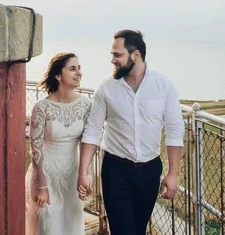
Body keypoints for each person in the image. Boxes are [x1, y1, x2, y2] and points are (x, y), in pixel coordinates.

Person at [77, 30, 185, 235]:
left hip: (150, 171)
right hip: (115, 170)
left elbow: (174, 130)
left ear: (135, 55)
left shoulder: (164, 85)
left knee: (139, 230)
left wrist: (173, 174)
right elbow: (92, 130)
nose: (112, 60)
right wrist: (83, 172)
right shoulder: (106, 88)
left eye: (117, 55)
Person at [25, 52, 92, 235]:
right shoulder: (41, 107)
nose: (79, 73)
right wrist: (41, 185)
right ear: (58, 75)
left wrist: (87, 175)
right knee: (48, 227)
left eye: (79, 68)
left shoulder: (87, 105)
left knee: (71, 226)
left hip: (73, 173)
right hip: (46, 173)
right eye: (72, 69)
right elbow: (35, 147)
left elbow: (88, 143)